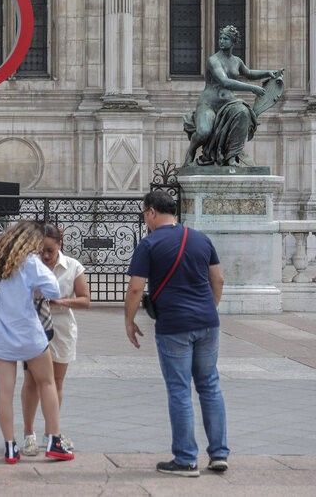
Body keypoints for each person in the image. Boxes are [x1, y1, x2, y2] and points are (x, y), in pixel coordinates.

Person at [125, 190, 228, 477]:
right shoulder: (200, 238)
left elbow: (135, 288)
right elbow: (217, 278)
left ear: (152, 212)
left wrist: (129, 321)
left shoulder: (149, 244)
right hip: (207, 322)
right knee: (209, 385)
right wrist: (210, 308)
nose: (145, 219)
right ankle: (219, 454)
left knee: (180, 389)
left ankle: (185, 459)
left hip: (174, 326)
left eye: (144, 213)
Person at [0, 221, 73, 464]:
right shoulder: (28, 263)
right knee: (47, 383)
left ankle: (10, 447)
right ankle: (54, 441)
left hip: (0, 336)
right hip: (29, 335)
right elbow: (54, 289)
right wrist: (36, 290)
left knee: (5, 390)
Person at [20, 223, 90, 456]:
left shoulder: (72, 266)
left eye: (50, 250)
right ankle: (28, 434)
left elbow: (85, 300)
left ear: (60, 245)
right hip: (35, 327)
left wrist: (60, 301)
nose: (46, 256)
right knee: (31, 381)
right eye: (41, 250)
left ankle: (51, 433)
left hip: (61, 327)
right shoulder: (30, 265)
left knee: (56, 382)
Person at [183, 25, 284, 167]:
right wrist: (252, 88)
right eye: (220, 38)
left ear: (233, 42)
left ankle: (231, 156)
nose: (221, 41)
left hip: (228, 103)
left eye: (225, 38)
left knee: (243, 112)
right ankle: (191, 152)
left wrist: (268, 72)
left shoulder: (237, 61)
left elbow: (248, 73)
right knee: (204, 132)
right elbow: (225, 81)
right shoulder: (213, 60)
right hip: (209, 104)